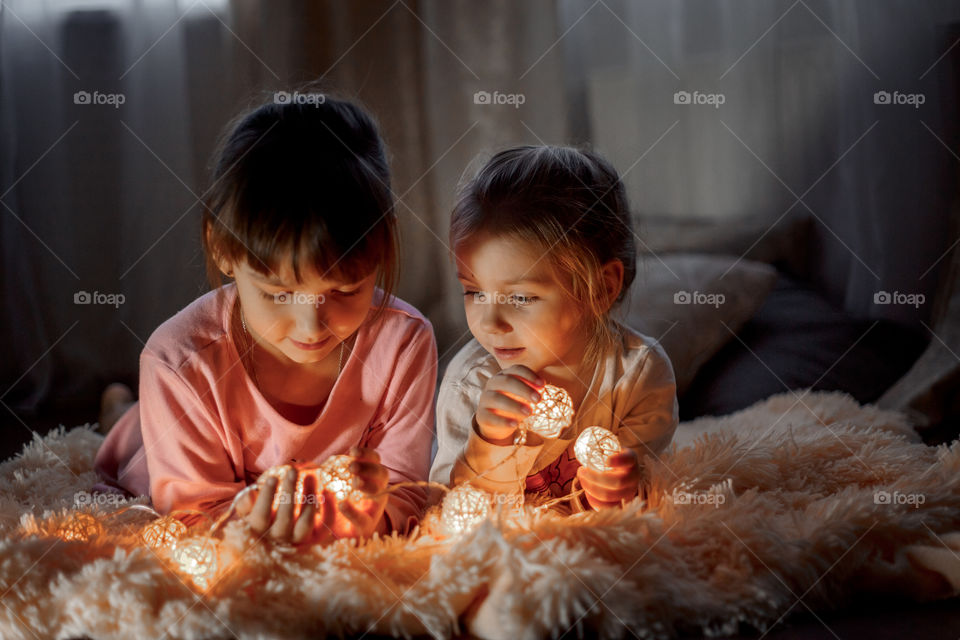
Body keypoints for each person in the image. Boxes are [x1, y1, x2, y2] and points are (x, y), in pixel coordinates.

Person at [94, 92, 437, 545]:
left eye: (344, 290)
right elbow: (192, 519)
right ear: (222, 248)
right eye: (279, 294)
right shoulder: (178, 362)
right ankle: (118, 410)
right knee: (131, 439)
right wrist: (256, 531)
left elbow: (408, 493)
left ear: (383, 246)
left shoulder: (404, 343)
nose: (311, 327)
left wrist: (368, 516)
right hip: (171, 422)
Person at [430, 145, 678, 510]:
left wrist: (626, 487)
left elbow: (651, 486)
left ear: (602, 288)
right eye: (474, 292)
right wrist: (489, 443)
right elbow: (447, 509)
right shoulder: (471, 383)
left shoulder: (638, 374)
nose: (490, 323)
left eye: (521, 298)